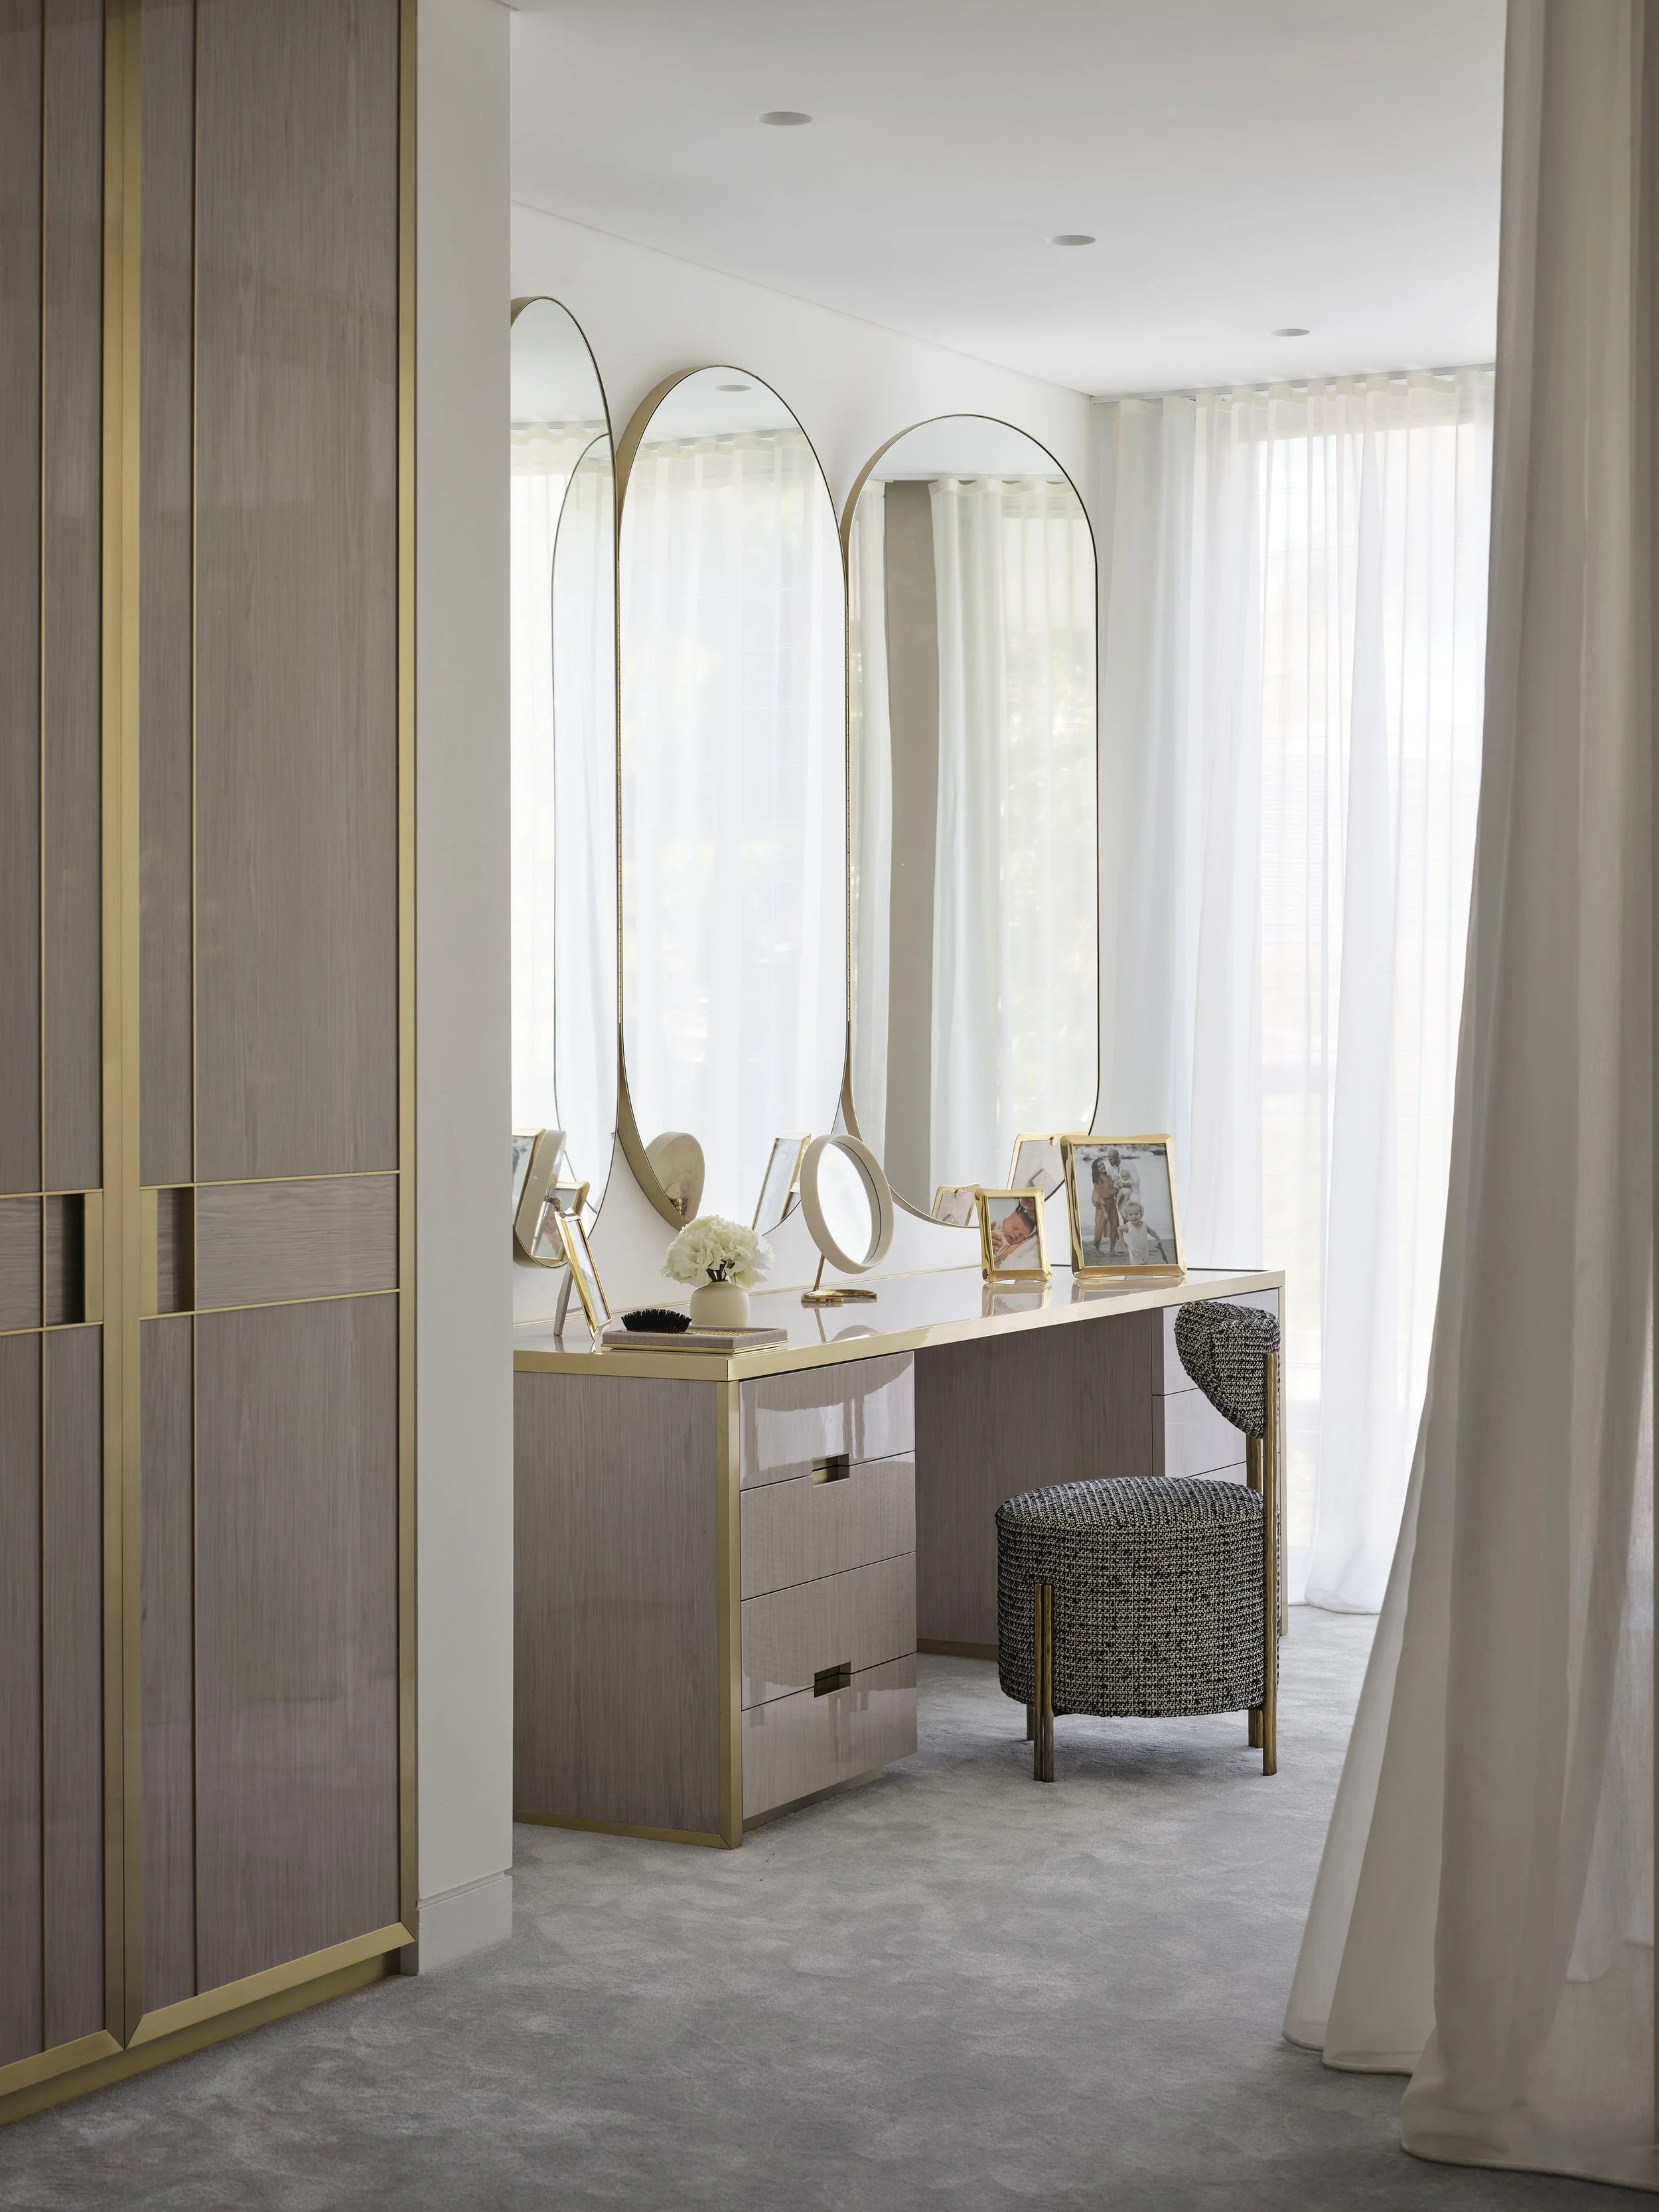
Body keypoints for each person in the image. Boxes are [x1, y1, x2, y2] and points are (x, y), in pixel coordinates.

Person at [990, 1194, 1040, 1268]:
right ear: (1004, 1221)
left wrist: (1020, 1244)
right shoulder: (996, 1227)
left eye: (1022, 1237)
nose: (1016, 1235)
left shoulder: (1011, 1245)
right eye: (1014, 1228)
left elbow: (1004, 1257)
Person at [1091, 1151, 1123, 1258]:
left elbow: (1114, 1190)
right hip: (1102, 1207)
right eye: (1099, 1166)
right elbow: (1099, 1197)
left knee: (1115, 1226)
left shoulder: (1108, 1177)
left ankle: (1112, 1250)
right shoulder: (1098, 1181)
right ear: (1097, 1169)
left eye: (1102, 1165)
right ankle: (1097, 1249)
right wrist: (1105, 1212)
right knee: (1100, 1227)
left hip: (1112, 1204)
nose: (1102, 1167)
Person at [1119, 1197, 1169, 1266]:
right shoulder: (1127, 1227)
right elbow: (1119, 1229)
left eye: (1136, 1214)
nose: (1134, 1216)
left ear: (1141, 1214)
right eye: (1130, 1215)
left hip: (1144, 1251)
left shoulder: (1144, 1225)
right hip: (1134, 1252)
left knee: (1145, 1265)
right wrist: (1123, 1240)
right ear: (1127, 1216)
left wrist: (1158, 1238)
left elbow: (1151, 1231)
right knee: (1137, 1266)